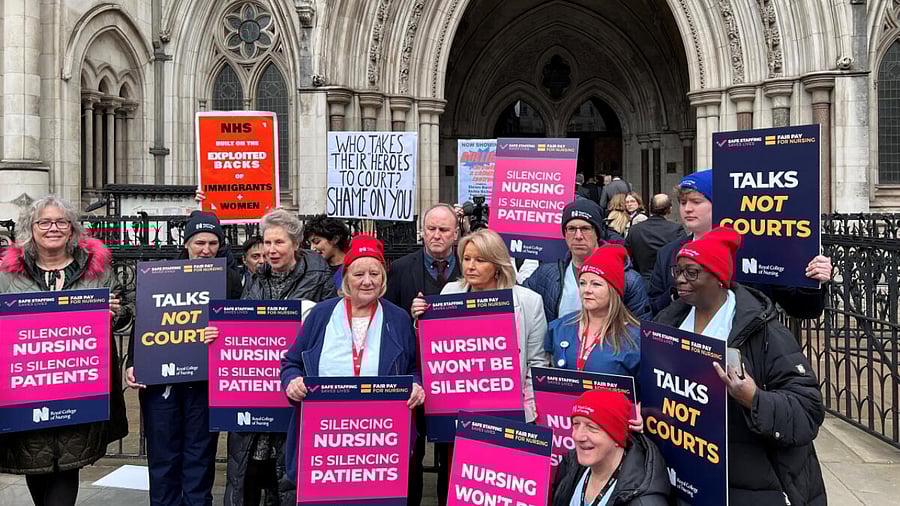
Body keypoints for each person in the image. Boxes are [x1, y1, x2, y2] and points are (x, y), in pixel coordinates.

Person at [653, 227, 826, 505]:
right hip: (685, 477)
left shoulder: (765, 332)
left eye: (692, 272)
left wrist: (754, 399)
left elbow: (808, 410)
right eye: (678, 271)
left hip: (750, 484)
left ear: (719, 278)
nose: (680, 281)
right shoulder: (666, 323)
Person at [0, 196, 127, 506]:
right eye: (44, 222)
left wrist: (116, 313)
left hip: (78, 391)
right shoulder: (7, 276)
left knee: (65, 470)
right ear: (30, 228)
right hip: (27, 392)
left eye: (61, 222)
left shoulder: (97, 271)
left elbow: (126, 313)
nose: (53, 228)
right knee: (38, 464)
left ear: (72, 229)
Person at [279, 235, 425, 505]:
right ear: (345, 278)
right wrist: (293, 381)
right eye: (359, 273)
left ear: (383, 279)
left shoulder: (398, 318)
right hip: (326, 441)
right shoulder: (321, 315)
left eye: (374, 273)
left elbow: (414, 368)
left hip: (377, 444)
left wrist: (417, 386)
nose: (367, 281)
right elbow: (291, 362)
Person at [208, 209, 335, 506]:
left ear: (295, 244)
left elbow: (330, 331)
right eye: (267, 243)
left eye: (279, 242)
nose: (271, 250)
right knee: (249, 471)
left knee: (287, 475)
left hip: (293, 389)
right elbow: (242, 325)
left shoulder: (319, 277)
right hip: (255, 391)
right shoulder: (255, 277)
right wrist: (218, 335)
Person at [125, 212, 242, 506]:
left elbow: (239, 325)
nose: (206, 249)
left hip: (204, 382)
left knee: (199, 457)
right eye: (200, 242)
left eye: (213, 243)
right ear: (187, 243)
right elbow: (146, 321)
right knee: (163, 457)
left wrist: (223, 332)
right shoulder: (163, 274)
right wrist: (132, 362)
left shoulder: (230, 279)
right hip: (163, 383)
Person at [648, 170, 833, 319]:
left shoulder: (755, 252)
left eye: (696, 202)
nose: (687, 208)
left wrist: (814, 280)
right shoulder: (668, 254)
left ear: (719, 204)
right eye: (682, 202)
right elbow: (653, 308)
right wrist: (676, 293)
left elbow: (803, 309)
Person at [412, 229, 549, 421]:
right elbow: (437, 353)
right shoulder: (450, 293)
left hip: (511, 411)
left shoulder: (529, 301)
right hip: (459, 409)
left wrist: (528, 410)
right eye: (467, 259)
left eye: (480, 260)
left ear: (497, 265)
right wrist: (422, 319)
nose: (470, 266)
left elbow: (536, 362)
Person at [383, 203, 461, 506]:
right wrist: (409, 314)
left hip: (456, 377)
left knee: (452, 452)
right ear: (422, 231)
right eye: (431, 229)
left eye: (444, 230)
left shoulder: (470, 265)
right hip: (414, 376)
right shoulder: (401, 268)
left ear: (455, 234)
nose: (437, 235)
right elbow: (388, 319)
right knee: (411, 453)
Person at [544, 245, 643, 432]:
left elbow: (651, 394)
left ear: (614, 289)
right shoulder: (560, 327)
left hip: (612, 433)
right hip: (565, 430)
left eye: (596, 284)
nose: (586, 290)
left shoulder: (635, 337)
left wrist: (643, 411)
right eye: (582, 283)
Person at [524, 199, 651, 325]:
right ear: (564, 233)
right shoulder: (546, 274)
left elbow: (640, 331)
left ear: (597, 233)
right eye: (572, 229)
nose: (578, 236)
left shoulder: (628, 279)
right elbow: (519, 304)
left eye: (585, 228)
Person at [551, 390, 671, 506]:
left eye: (591, 427)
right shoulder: (570, 465)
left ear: (616, 437)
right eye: (576, 424)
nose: (577, 436)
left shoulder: (644, 501)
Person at [624, 194, 686, 285]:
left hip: (642, 282)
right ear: (670, 209)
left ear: (650, 207)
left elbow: (627, 256)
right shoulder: (676, 230)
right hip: (667, 283)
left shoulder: (634, 230)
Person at [302, 213, 351, 290]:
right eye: (310, 243)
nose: (312, 248)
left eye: (316, 241)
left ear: (335, 239)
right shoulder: (312, 268)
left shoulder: (353, 266)